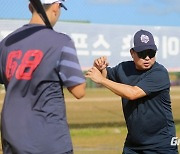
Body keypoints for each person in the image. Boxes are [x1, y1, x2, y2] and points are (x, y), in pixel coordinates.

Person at [0, 0, 86, 153]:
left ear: (30, 7)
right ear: (55, 7)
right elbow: (79, 91)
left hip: (11, 137)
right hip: (48, 139)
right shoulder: (61, 42)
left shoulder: (5, 44)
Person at [86, 30, 178, 154]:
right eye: (142, 53)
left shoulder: (159, 73)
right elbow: (105, 75)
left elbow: (132, 93)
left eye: (151, 53)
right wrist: (99, 67)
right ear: (132, 53)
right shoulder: (123, 68)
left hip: (161, 144)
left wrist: (102, 80)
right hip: (134, 145)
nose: (147, 58)